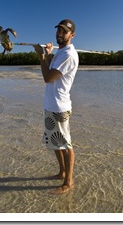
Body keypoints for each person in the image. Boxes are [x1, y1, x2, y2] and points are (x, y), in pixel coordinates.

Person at [34, 19, 79, 194]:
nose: (60, 34)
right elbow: (48, 69)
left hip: (60, 107)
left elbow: (47, 78)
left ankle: (68, 182)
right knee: (56, 143)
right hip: (51, 105)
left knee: (66, 145)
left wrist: (40, 55)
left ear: (72, 35)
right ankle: (62, 172)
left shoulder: (68, 55)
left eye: (64, 31)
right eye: (58, 30)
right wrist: (47, 54)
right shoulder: (60, 53)